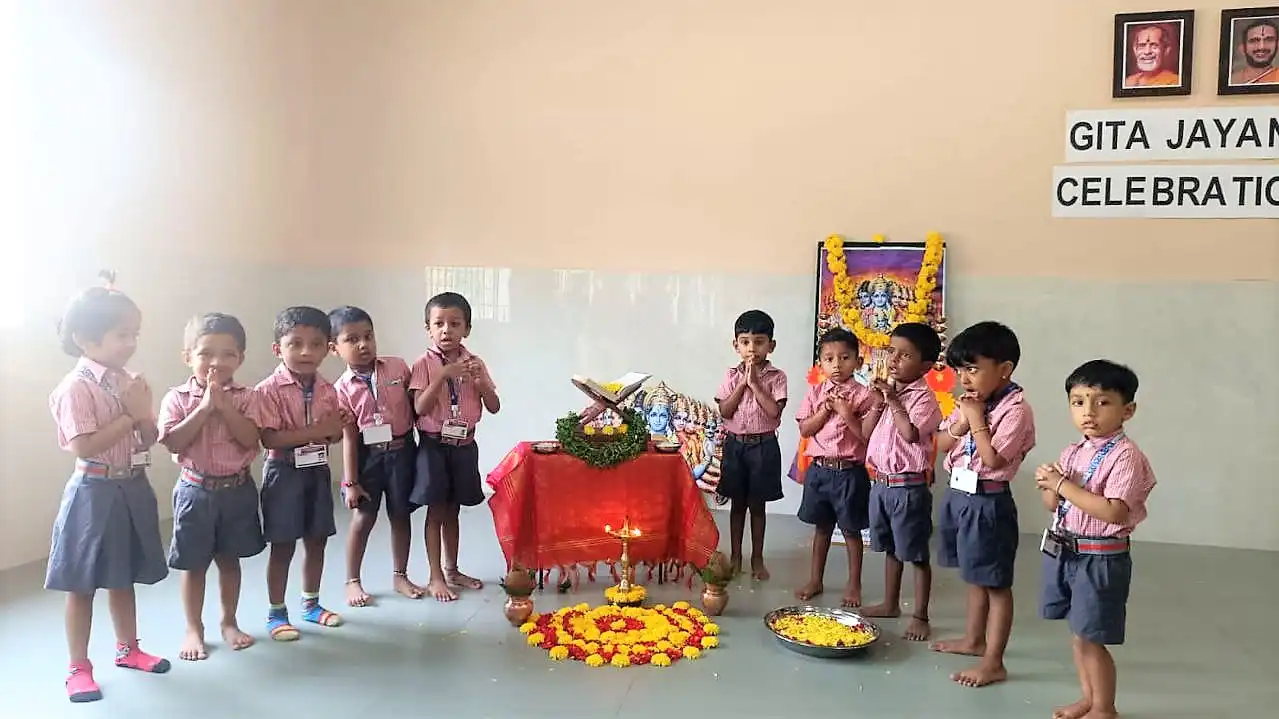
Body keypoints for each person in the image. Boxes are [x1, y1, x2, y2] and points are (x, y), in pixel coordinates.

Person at [47, 279, 170, 703]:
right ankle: (78, 668)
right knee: (82, 585)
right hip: (93, 491)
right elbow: (83, 444)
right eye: (123, 334)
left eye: (135, 333)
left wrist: (144, 419)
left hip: (131, 485)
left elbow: (147, 435)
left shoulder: (130, 380)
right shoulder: (74, 388)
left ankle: (129, 649)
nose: (131, 343)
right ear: (85, 338)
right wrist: (129, 415)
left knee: (124, 577)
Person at [1035, 360, 1156, 719]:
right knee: (1079, 634)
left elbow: (1115, 512)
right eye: (1078, 401)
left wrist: (1062, 485)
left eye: (1102, 402)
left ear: (1127, 410)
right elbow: (1052, 503)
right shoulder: (1074, 450)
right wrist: (1050, 484)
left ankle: (1105, 708)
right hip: (1067, 551)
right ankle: (1089, 698)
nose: (1088, 412)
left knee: (1092, 638)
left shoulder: (1126, 456)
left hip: (1100, 558)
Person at [931, 321, 1036, 688]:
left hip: (988, 500)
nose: (965, 378)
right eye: (960, 370)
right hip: (959, 495)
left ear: (1004, 369)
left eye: (973, 369)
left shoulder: (1016, 409)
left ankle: (994, 661)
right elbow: (942, 443)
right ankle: (974, 640)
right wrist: (964, 420)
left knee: (995, 584)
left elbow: (993, 460)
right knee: (973, 575)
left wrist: (975, 421)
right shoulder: (971, 403)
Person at [159, 313, 267, 661]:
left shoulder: (248, 397)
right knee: (194, 564)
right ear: (187, 356)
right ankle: (194, 627)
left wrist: (226, 408)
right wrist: (205, 408)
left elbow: (253, 438)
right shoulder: (176, 398)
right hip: (195, 491)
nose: (216, 362)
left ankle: (229, 621)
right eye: (206, 353)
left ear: (241, 358)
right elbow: (174, 442)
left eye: (228, 354)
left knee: (229, 560)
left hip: (237, 489)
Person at [254, 306, 351, 640]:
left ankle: (311, 604)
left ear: (328, 348)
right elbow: (270, 437)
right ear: (277, 348)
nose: (306, 352)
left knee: (317, 541)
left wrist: (338, 428)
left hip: (317, 471)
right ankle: (276, 612)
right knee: (283, 545)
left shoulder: (328, 389)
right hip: (283, 472)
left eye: (316, 343)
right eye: (295, 343)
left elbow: (334, 434)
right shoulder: (267, 390)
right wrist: (320, 430)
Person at [409, 292, 501, 602]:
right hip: (434, 447)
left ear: (467, 329)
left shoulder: (475, 363)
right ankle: (435, 576)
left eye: (454, 323)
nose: (446, 330)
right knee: (436, 510)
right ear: (428, 329)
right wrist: (442, 377)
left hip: (464, 445)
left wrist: (481, 383)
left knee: (455, 510)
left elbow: (494, 406)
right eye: (439, 324)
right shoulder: (423, 364)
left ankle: (452, 570)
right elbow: (420, 408)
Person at [330, 306, 423, 606]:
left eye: (368, 336)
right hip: (368, 457)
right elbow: (349, 437)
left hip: (403, 451)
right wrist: (351, 481)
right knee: (363, 518)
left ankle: (400, 575)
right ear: (335, 348)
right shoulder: (340, 389)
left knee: (401, 515)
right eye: (352, 339)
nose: (363, 345)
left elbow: (417, 404)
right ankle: (352, 580)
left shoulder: (398, 368)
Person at [859, 323, 944, 642]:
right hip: (881, 484)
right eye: (891, 351)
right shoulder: (885, 393)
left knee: (916, 553)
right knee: (891, 548)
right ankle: (891, 603)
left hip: (909, 488)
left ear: (925, 366)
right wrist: (880, 400)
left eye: (905, 354)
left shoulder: (924, 399)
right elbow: (866, 432)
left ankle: (920, 615)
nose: (894, 359)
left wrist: (894, 401)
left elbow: (910, 434)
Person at [793, 328, 875, 606]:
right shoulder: (816, 393)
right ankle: (816, 579)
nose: (837, 365)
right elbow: (805, 429)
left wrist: (845, 412)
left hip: (850, 472)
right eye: (829, 359)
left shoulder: (865, 396)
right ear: (820, 363)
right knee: (822, 528)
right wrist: (825, 410)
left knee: (851, 531)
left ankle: (854, 585)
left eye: (844, 358)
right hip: (820, 470)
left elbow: (865, 435)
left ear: (858, 362)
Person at [714, 310, 787, 581]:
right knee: (737, 505)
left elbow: (773, 413)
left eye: (758, 341)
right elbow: (725, 410)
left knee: (758, 505)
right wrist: (742, 384)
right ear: (736, 345)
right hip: (736, 446)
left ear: (771, 346)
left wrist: (755, 384)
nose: (751, 348)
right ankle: (735, 556)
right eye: (745, 342)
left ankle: (757, 558)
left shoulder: (777, 377)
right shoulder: (731, 374)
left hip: (763, 448)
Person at [1230, 18, 1278, 86]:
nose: (1261, 47)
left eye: (1269, 40)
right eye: (1254, 40)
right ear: (1243, 48)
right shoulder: (1233, 80)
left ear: (1277, 46)